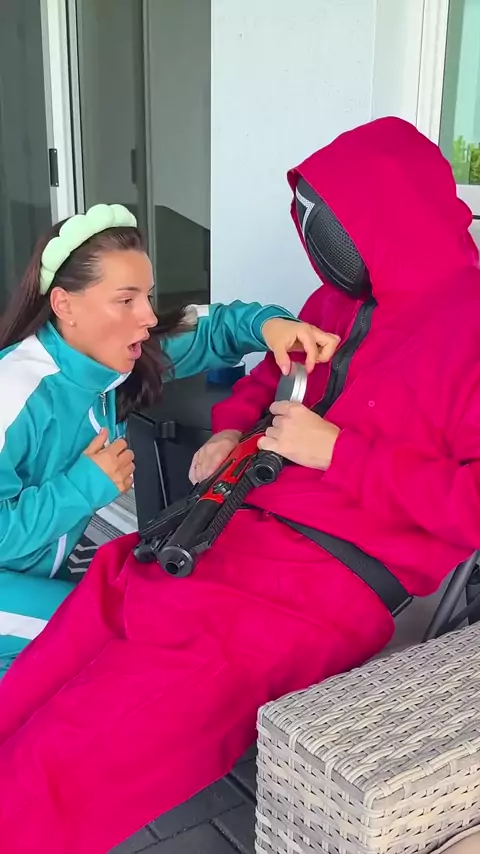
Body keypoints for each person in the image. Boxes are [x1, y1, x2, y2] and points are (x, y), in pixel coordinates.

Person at [0, 117, 479, 854]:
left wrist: (340, 454)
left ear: (386, 215)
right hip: (220, 533)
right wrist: (230, 431)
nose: (317, 241)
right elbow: (268, 378)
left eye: (329, 224)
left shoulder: (467, 329)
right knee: (42, 672)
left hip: (315, 585)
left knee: (69, 754)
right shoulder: (338, 303)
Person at [0, 202, 339, 677]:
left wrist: (273, 325)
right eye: (125, 300)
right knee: (105, 645)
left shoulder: (112, 359)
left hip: (33, 575)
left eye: (147, 296)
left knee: (131, 629)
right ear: (64, 305)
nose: (146, 315)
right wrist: (84, 486)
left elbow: (214, 328)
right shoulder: (14, 391)